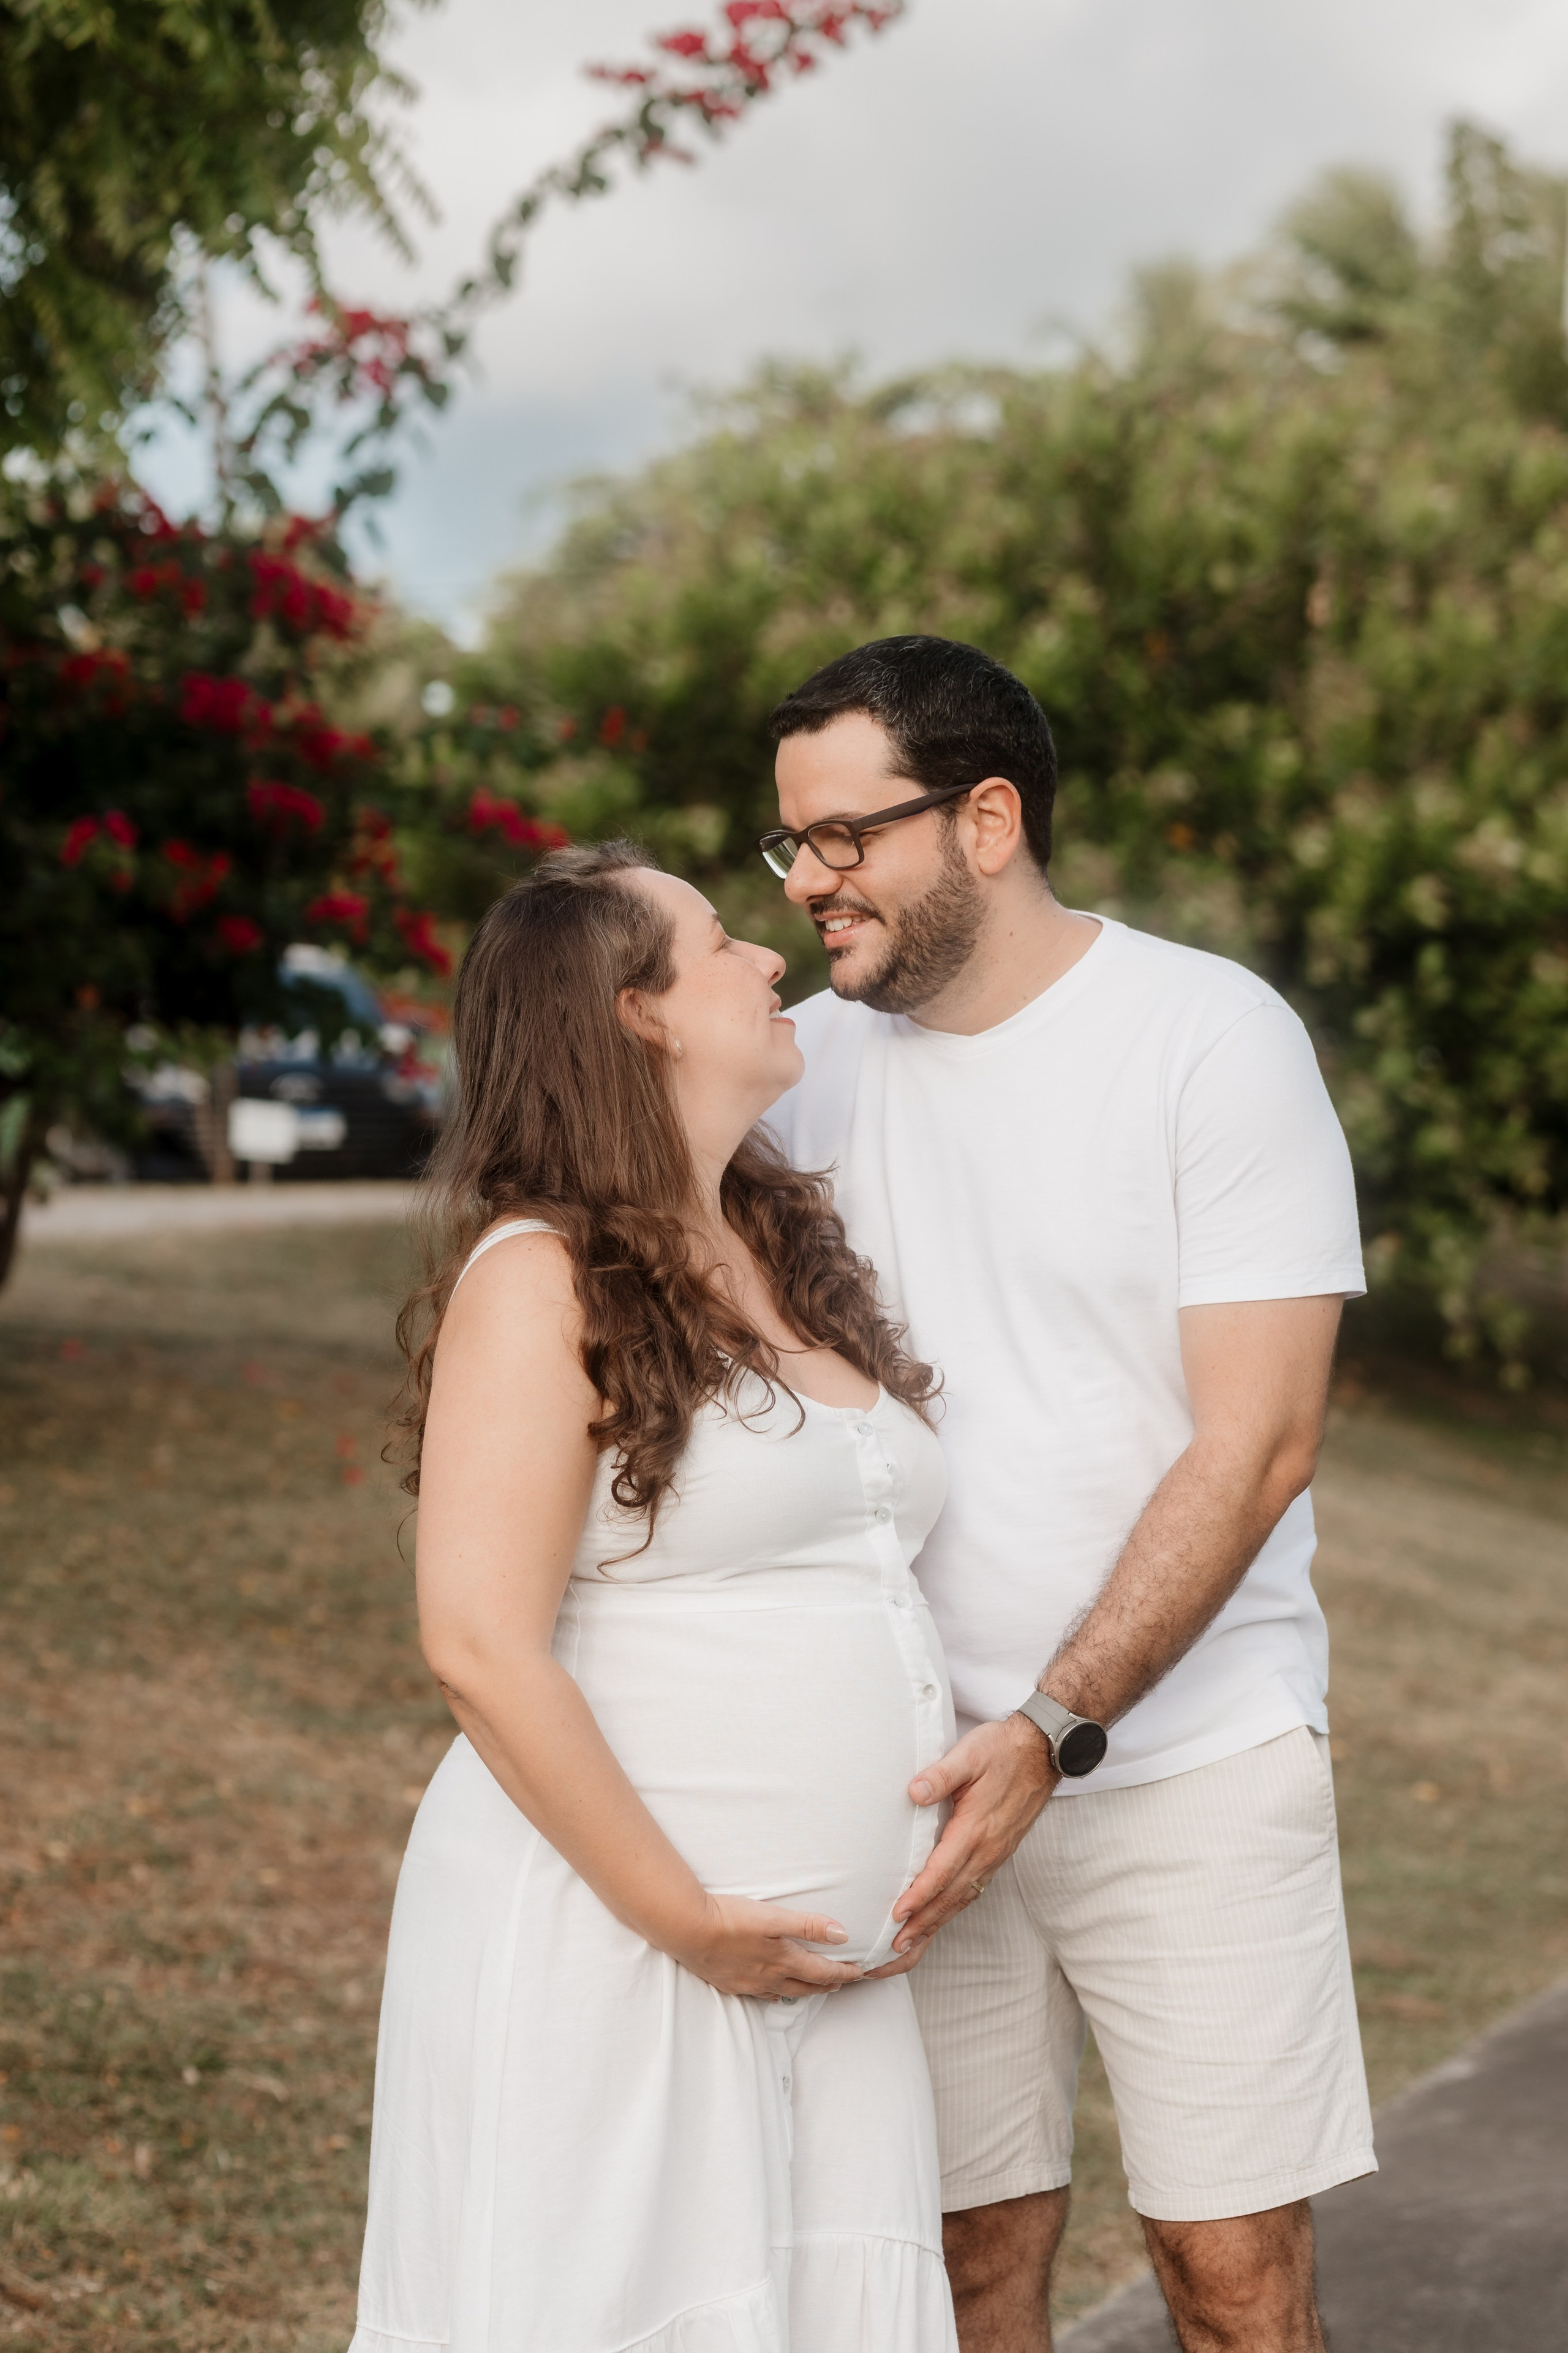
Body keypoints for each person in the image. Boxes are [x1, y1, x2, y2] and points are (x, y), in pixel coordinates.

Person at [760, 636, 1375, 2353]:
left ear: (986, 819)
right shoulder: (793, 1073)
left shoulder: (1208, 1038)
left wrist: (1052, 1718)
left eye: (842, 837)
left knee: (1231, 2281)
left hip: (1190, 1756)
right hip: (908, 1788)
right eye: (788, 846)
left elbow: (1257, 1442)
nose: (810, 880)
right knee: (958, 2281)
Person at [349, 843, 960, 2353]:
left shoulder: (774, 1244)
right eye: (716, 945)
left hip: (825, 1977)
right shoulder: (538, 1275)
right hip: (619, 1953)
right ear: (634, 1015)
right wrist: (681, 1920)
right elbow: (478, 1645)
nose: (767, 959)